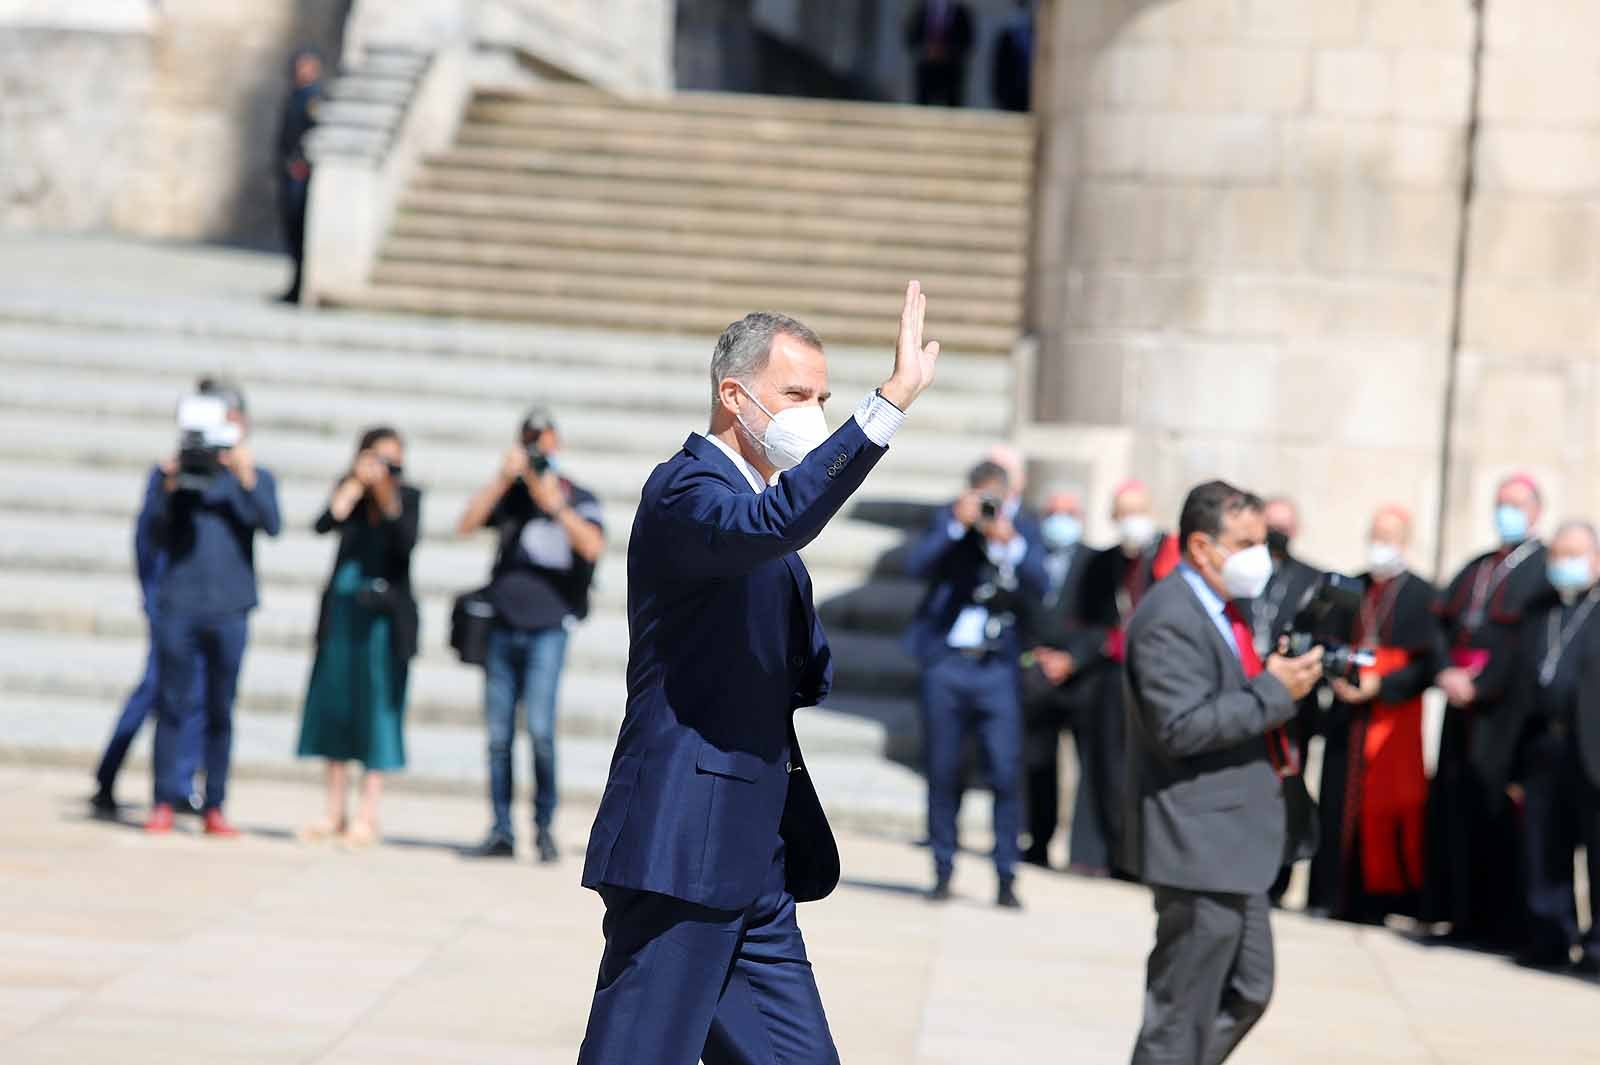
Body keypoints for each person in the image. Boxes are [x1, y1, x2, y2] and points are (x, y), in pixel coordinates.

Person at [576, 287, 939, 1065]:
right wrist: (888, 404)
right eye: (797, 395)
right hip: (683, 841)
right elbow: (774, 526)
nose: (813, 411)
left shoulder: (756, 504)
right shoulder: (686, 491)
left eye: (825, 398)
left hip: (753, 851)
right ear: (733, 395)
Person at [1123, 481, 1323, 1065]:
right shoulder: (1169, 616)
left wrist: (1284, 683)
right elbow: (1180, 726)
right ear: (1202, 547)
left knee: (1247, 989)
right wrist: (1272, 691)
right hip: (1198, 842)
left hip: (1238, 847)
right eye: (1245, 543)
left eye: (1262, 542)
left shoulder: (1221, 609)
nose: (1259, 556)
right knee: (1180, 1011)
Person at [457, 406, 605, 863]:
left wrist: (553, 502)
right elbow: (464, 526)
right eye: (530, 443)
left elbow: (593, 546)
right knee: (499, 736)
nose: (538, 450)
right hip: (502, 625)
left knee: (540, 731)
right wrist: (502, 480)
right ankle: (500, 828)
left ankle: (542, 828)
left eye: (544, 442)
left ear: (556, 445)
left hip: (548, 628)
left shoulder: (577, 495)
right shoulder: (511, 495)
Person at [905, 459, 1047, 906]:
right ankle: (942, 866)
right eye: (981, 499)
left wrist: (1011, 547)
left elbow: (1042, 585)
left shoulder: (1023, 529)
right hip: (948, 663)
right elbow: (915, 565)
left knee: (1006, 771)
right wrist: (955, 525)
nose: (987, 509)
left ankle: (1007, 874)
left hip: (997, 667)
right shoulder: (949, 521)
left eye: (995, 500)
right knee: (944, 769)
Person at [144, 380, 281, 835]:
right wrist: (169, 485)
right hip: (179, 604)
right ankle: (163, 799)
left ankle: (214, 804)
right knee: (172, 704)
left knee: (221, 709)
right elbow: (155, 532)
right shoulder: (172, 474)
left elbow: (272, 523)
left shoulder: (254, 476)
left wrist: (245, 477)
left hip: (230, 608)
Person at [1425, 472, 1548, 948]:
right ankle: (1460, 915)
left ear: (1536, 511)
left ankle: (1498, 925)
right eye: (1500, 503)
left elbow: (1526, 644)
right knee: (1456, 809)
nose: (1507, 512)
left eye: (1515, 504)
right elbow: (1440, 621)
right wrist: (1445, 674)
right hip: (1460, 706)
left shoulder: (1539, 568)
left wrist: (1482, 685)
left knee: (1496, 812)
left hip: (1501, 714)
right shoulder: (1477, 565)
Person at [1474, 520, 1600, 973]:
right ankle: (1550, 938)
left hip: (1592, 750)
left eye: (1576, 555)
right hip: (1542, 746)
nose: (1565, 564)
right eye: (1559, 556)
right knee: (1545, 849)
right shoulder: (1540, 609)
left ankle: (1597, 951)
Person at [1306, 505, 1439, 922]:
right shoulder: (1352, 586)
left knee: (1387, 810)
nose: (1381, 546)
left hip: (1391, 718)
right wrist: (1339, 680)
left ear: (1405, 542)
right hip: (1348, 718)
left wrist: (1382, 685)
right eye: (1376, 536)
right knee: (1335, 805)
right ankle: (1330, 896)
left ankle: (1378, 903)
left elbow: (1428, 663)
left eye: (1390, 538)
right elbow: (1325, 642)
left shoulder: (1423, 594)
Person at [296, 427, 421, 848]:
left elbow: (403, 542)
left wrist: (386, 491)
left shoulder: (408, 497)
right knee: (336, 707)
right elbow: (323, 523)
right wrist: (353, 485)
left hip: (384, 622)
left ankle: (368, 812)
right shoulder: (349, 490)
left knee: (377, 712)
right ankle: (334, 810)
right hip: (343, 614)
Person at [1069, 479, 1174, 877]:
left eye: (1138, 512)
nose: (1132, 521)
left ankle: (1139, 860)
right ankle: (1102, 854)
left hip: (1153, 678)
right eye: (1124, 513)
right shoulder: (1103, 562)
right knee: (1105, 767)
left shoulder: (1167, 557)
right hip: (1111, 680)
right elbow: (1086, 620)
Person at [90, 467, 204, 819]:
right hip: (168, 605)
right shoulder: (168, 477)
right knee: (153, 690)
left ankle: (182, 785)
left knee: (196, 694)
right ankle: (108, 775)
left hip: (207, 603)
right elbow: (146, 538)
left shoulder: (227, 476)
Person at [1019, 488, 1098, 867]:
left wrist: (1072, 658)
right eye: (1052, 512)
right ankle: (1037, 842)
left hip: (1081, 680)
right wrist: (1036, 655)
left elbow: (1103, 622)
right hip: (1037, 675)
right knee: (1038, 764)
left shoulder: (1095, 562)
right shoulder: (1027, 557)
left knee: (1091, 767)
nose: (1059, 520)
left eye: (1068, 512)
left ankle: (1090, 854)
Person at [277, 48, 324, 303]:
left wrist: (302, 162)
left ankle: (299, 288)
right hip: (287, 173)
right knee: (291, 233)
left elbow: (314, 134)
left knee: (299, 230)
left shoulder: (313, 99)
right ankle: (294, 286)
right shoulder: (294, 95)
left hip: (301, 174)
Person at [905, 0, 975, 107]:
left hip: (951, 73)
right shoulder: (921, 10)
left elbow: (967, 41)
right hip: (926, 71)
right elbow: (911, 37)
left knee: (952, 112)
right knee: (922, 112)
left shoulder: (960, 12)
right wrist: (927, 50)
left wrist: (947, 51)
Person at [991, 0, 1035, 112]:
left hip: (1030, 93)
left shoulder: (1035, 33)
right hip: (1010, 96)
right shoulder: (1006, 36)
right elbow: (999, 69)